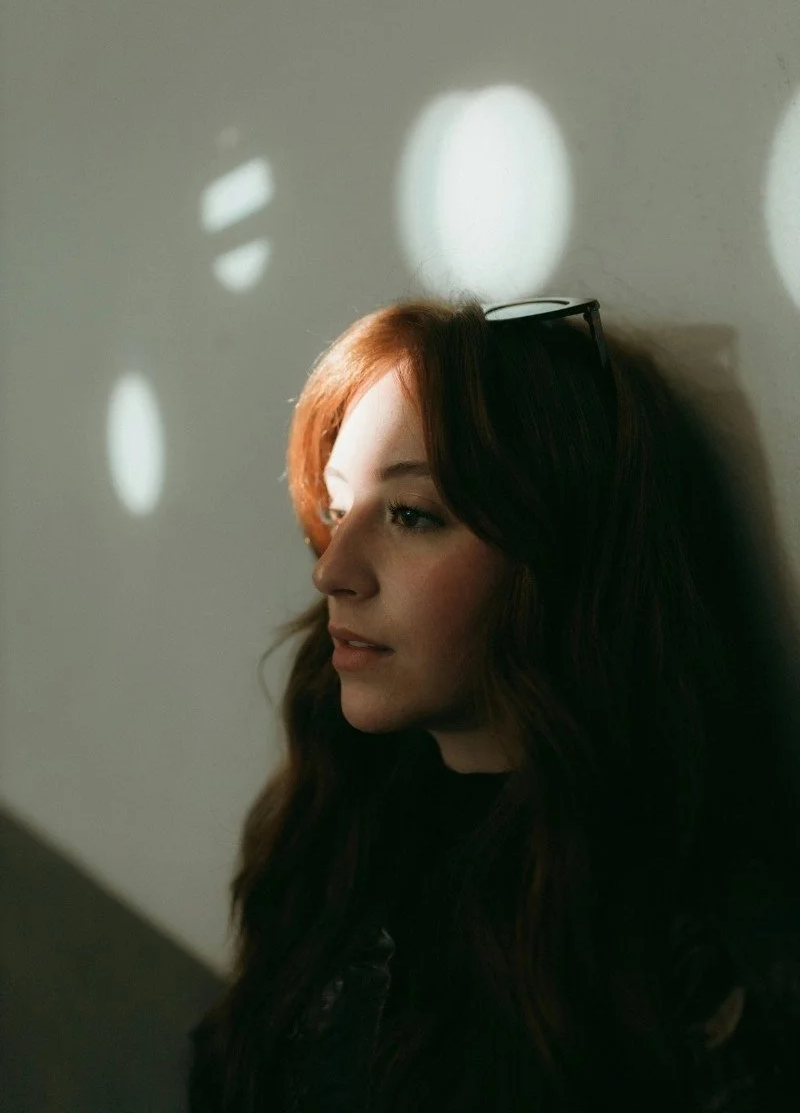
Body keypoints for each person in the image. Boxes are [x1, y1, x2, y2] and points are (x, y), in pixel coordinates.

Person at [187, 295, 800, 1112]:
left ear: (561, 554)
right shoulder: (343, 811)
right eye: (336, 509)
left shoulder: (693, 939)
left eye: (412, 514)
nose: (332, 571)